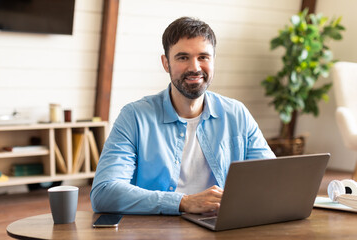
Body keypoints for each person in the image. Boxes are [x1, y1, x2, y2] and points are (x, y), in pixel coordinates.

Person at [90, 17, 275, 215]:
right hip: (156, 231)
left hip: (221, 227)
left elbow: (273, 178)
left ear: (213, 61)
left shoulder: (237, 113)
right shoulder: (134, 117)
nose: (195, 68)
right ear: (166, 63)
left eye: (203, 57)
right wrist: (183, 202)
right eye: (183, 57)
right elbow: (104, 193)